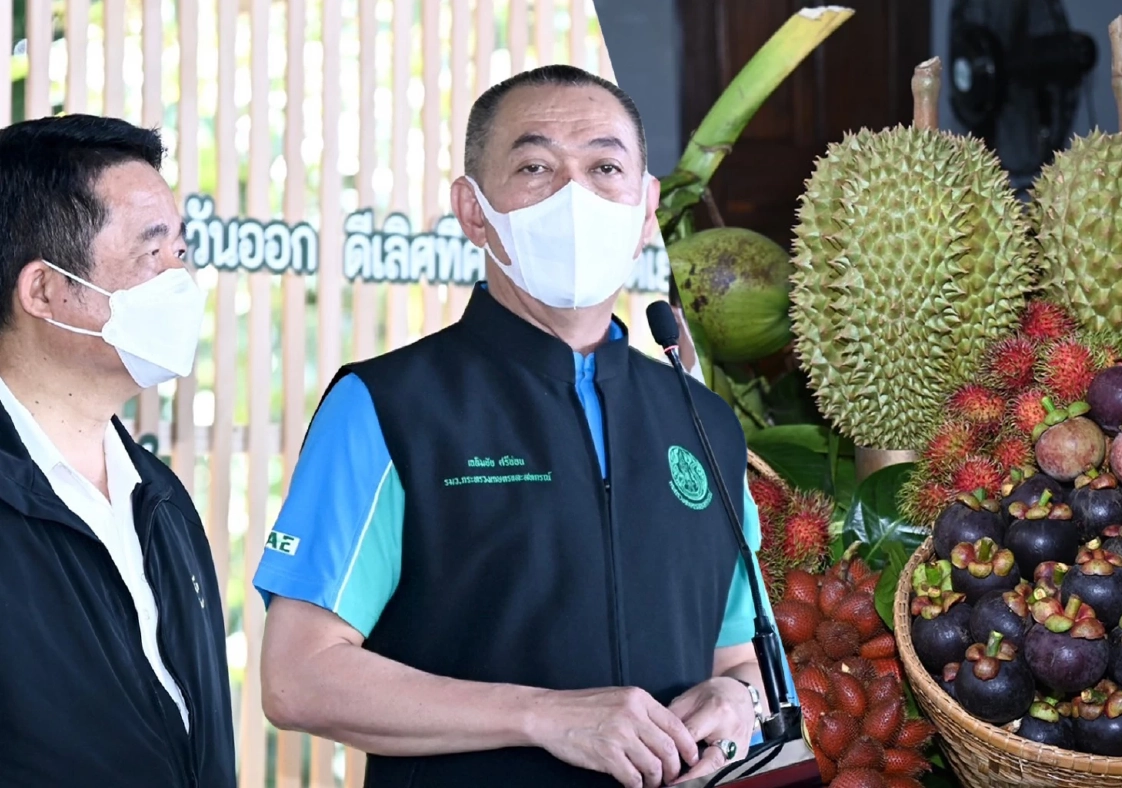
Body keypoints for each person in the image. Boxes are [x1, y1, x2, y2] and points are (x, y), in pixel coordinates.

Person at [255, 64, 779, 788]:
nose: (575, 195)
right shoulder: (388, 405)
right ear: (473, 212)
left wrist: (737, 698)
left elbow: (742, 655)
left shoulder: (705, 423)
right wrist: (543, 715)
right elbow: (298, 677)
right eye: (535, 166)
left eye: (605, 168)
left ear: (644, 207)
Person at [0, 115, 234, 786]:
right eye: (149, 254)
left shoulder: (158, 496)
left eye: (181, 252)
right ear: (44, 290)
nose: (180, 280)